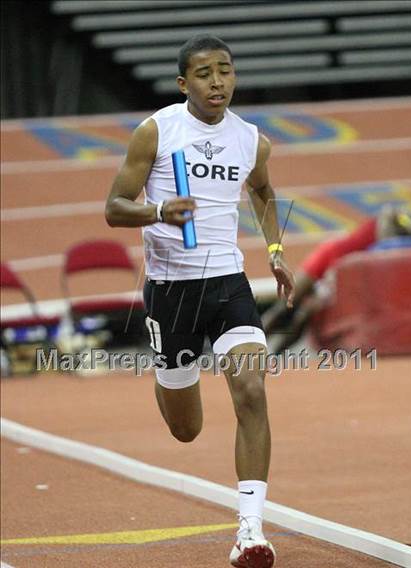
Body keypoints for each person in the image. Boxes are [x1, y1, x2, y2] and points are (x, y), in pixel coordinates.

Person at [106, 34, 295, 568]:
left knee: (252, 390)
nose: (218, 82)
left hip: (229, 285)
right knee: (185, 429)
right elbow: (114, 207)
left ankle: (251, 532)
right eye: (206, 73)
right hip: (171, 292)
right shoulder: (156, 131)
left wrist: (276, 250)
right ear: (182, 82)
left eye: (226, 71)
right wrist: (158, 213)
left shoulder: (251, 140)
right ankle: (166, 376)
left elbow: (261, 189)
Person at [262, 205, 411, 353]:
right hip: (329, 256)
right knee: (286, 304)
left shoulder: (404, 237)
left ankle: (274, 355)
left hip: (341, 272)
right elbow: (387, 236)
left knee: (305, 314)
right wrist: (409, 231)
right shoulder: (390, 215)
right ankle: (250, 344)